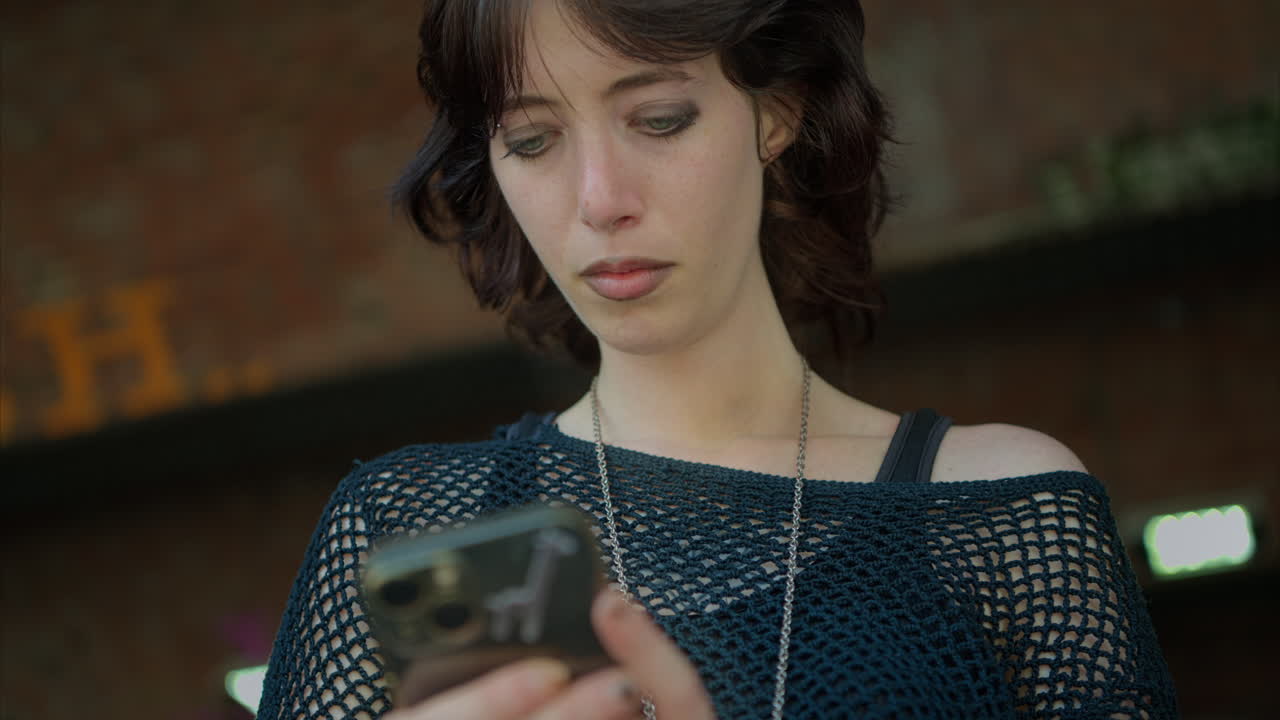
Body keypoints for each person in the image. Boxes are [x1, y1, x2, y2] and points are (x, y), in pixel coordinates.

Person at [257, 0, 1178, 718]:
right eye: (532, 140)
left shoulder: (996, 517)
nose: (599, 199)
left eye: (657, 118)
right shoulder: (408, 532)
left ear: (775, 113)